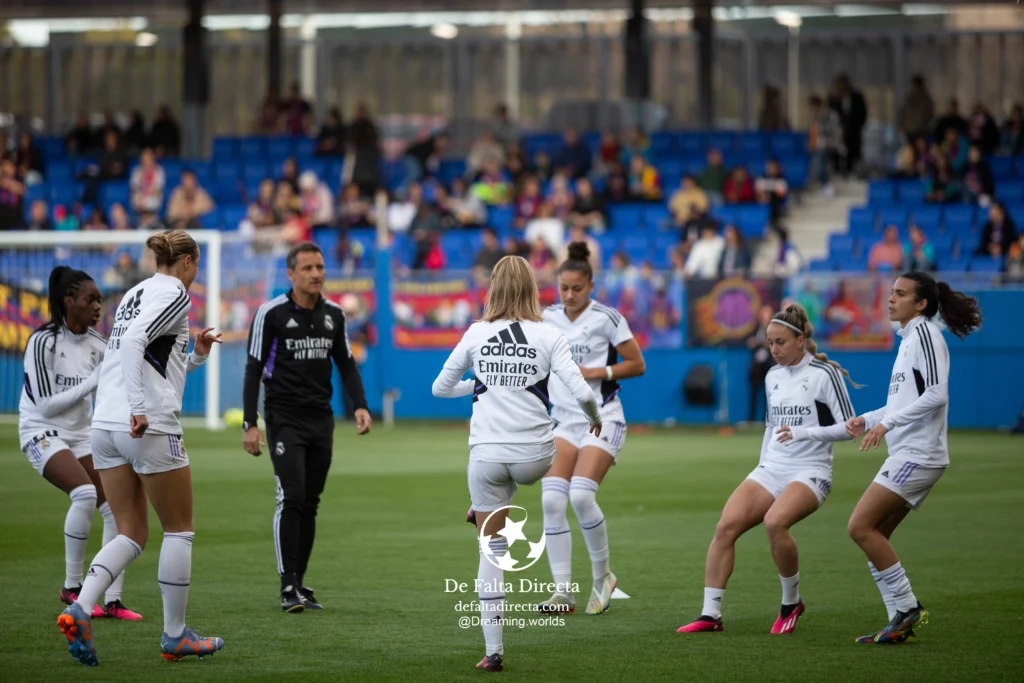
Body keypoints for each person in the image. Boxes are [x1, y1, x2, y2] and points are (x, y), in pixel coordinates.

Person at [58, 230, 224, 666]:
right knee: (179, 528)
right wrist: (138, 407)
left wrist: (197, 354)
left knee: (131, 530)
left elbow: (150, 360)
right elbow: (135, 346)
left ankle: (80, 607)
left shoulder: (134, 293)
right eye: (197, 263)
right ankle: (175, 636)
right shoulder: (176, 293)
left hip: (105, 426)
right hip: (144, 423)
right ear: (187, 261)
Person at [431, 255, 602, 672]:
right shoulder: (549, 334)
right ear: (532, 288)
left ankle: (493, 653)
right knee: (514, 476)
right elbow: (579, 390)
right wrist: (595, 418)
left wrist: (481, 383)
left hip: (488, 458)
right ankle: (487, 501)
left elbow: (439, 388)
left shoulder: (476, 332)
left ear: (492, 288)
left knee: (492, 551)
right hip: (537, 459)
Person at [677, 304, 856, 635]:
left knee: (775, 522)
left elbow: (851, 428)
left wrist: (805, 433)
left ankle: (791, 603)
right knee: (725, 527)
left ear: (801, 340)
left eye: (780, 342)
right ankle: (710, 615)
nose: (773, 350)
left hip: (811, 470)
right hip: (772, 467)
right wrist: (761, 466)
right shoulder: (773, 375)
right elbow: (771, 427)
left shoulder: (823, 374)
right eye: (769, 343)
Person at [845, 272, 982, 644]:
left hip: (919, 454)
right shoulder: (908, 340)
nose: (891, 299)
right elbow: (902, 402)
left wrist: (887, 425)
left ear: (921, 304)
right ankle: (896, 622)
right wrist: (869, 419)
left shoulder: (925, 335)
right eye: (892, 292)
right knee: (877, 535)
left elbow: (936, 395)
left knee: (859, 527)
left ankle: (907, 607)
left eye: (901, 294)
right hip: (911, 452)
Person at [243, 242, 372, 612]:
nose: (316, 273)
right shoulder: (271, 314)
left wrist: (360, 405)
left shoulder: (334, 314)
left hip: (321, 419)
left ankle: (299, 583)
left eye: (320, 266)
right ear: (291, 274)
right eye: (308, 268)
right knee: (292, 496)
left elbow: (346, 363)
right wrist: (251, 423)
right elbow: (253, 369)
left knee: (311, 502)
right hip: (284, 418)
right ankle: (287, 587)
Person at [20, 267, 141, 621]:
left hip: (81, 434)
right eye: (90, 299)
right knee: (85, 493)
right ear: (68, 301)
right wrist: (92, 381)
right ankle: (72, 586)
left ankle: (113, 600)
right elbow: (46, 405)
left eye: (99, 300)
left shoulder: (99, 345)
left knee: (118, 508)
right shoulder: (43, 342)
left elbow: (123, 380)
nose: (98, 307)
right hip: (41, 430)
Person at [535, 242, 646, 617]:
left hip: (603, 418)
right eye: (563, 288)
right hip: (562, 421)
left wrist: (597, 372)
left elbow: (637, 363)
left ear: (591, 286)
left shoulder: (607, 318)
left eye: (576, 288)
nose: (568, 294)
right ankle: (562, 592)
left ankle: (603, 579)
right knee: (551, 500)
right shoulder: (545, 319)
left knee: (581, 496)